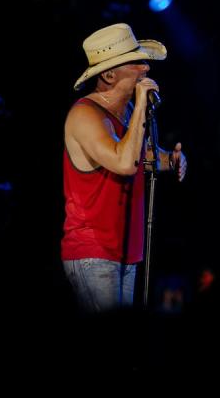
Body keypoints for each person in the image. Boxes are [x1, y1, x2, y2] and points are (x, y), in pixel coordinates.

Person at [62, 23, 187, 312]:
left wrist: (172, 159)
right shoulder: (85, 114)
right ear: (108, 74)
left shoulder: (126, 113)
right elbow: (123, 162)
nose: (146, 69)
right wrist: (142, 105)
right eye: (136, 63)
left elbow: (139, 153)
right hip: (94, 251)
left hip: (126, 251)